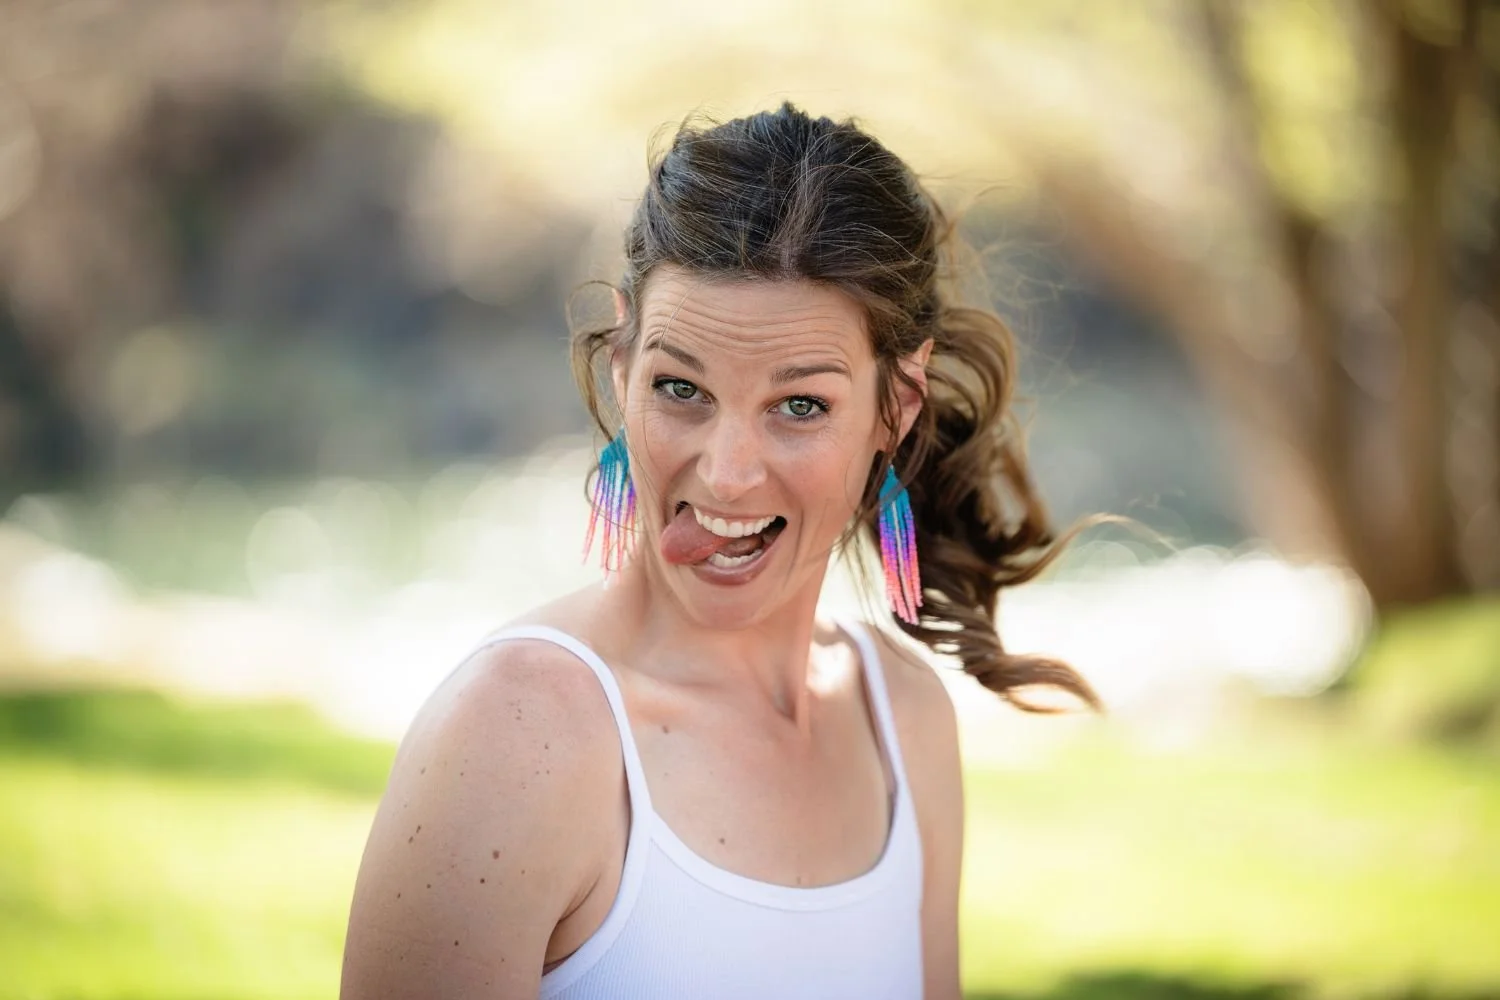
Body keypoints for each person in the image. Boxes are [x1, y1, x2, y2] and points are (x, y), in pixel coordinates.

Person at [340, 102, 1099, 999]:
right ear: (622, 367)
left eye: (800, 405)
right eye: (680, 387)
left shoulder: (905, 720)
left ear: (895, 406)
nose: (728, 473)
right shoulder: (517, 733)